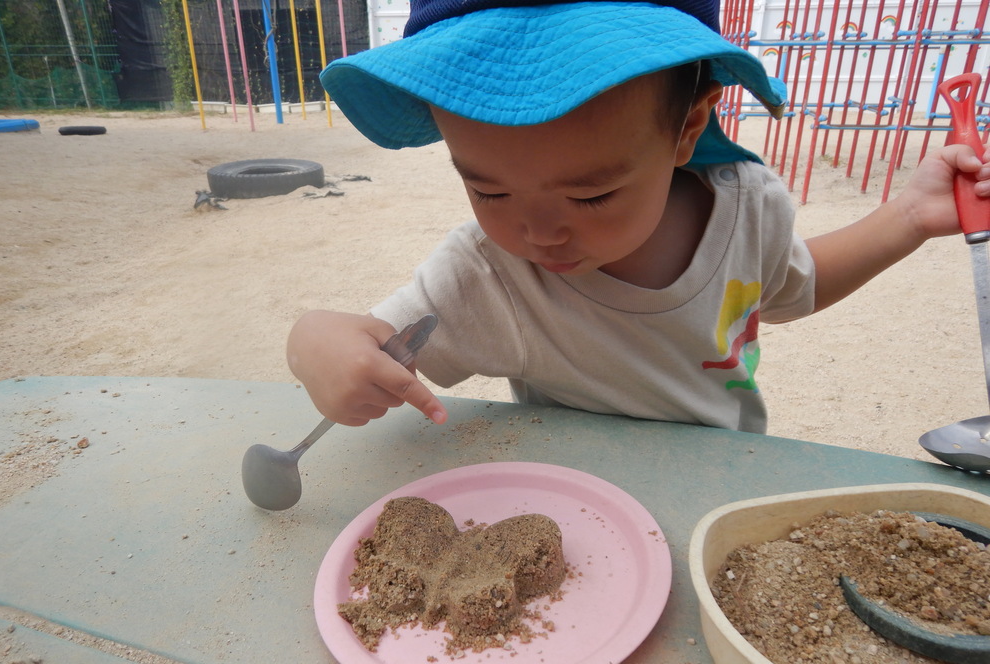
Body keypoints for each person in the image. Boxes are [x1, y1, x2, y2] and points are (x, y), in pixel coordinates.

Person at [287, 0, 990, 434]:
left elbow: (788, 289)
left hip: (722, 491)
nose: (540, 234)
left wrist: (911, 215)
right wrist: (313, 340)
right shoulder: (489, 276)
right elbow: (374, 347)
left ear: (687, 129)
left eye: (591, 196)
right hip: (569, 517)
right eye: (489, 192)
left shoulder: (749, 206)